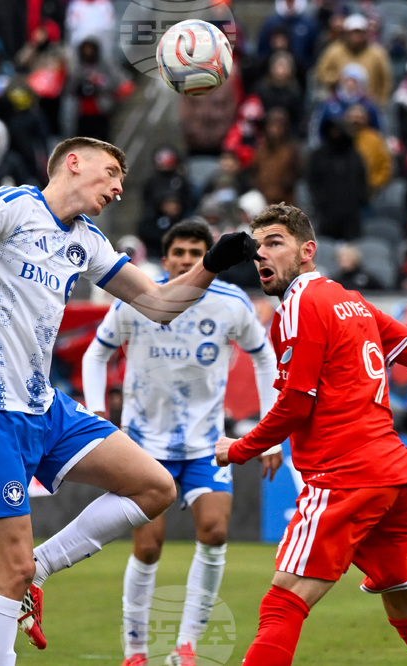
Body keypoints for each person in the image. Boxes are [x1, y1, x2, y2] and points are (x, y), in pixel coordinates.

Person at [0, 136, 260, 665]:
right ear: (73, 163)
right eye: (113, 172)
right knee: (8, 574)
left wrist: (211, 263)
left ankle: (43, 567)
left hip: (44, 406)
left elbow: (161, 304)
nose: (120, 187)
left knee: (155, 487)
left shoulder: (87, 241)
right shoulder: (12, 206)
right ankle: (23, 584)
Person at [213, 203, 407, 666]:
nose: (262, 256)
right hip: (397, 476)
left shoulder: (298, 305)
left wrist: (239, 448)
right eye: (256, 249)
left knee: (282, 603)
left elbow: (296, 404)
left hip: (346, 477)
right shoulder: (350, 301)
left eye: (275, 243)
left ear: (307, 251)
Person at [81, 219, 284, 666]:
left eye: (197, 253)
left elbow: (264, 356)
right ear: (167, 256)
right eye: (180, 253)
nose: (187, 260)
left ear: (210, 257)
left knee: (214, 533)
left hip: (207, 444)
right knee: (148, 546)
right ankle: (135, 651)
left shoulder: (231, 303)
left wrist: (270, 434)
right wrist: (97, 410)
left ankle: (186, 647)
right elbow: (96, 352)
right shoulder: (138, 298)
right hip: (143, 445)